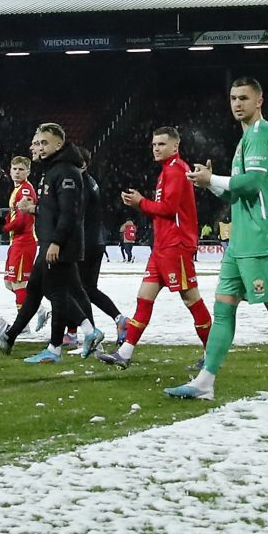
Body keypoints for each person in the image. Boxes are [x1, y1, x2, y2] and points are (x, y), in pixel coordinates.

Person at [168, 77, 268, 402]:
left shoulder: (261, 136)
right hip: (240, 242)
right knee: (223, 310)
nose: (237, 103)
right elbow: (238, 188)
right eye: (233, 98)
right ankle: (205, 382)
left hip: (262, 238)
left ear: (259, 101)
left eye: (243, 98)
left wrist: (215, 178)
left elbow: (251, 184)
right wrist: (209, 183)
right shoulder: (244, 140)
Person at [109, 126, 211, 367]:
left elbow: (168, 209)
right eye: (154, 144)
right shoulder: (167, 171)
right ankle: (124, 353)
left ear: (175, 146)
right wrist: (140, 203)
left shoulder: (176, 171)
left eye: (161, 144)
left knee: (191, 300)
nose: (156, 148)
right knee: (144, 299)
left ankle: (211, 354)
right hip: (162, 247)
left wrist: (140, 202)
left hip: (176, 246)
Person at [0, 124, 88, 358]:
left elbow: (68, 212)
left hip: (55, 244)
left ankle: (58, 346)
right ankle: (10, 337)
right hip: (47, 242)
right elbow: (53, 209)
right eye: (37, 143)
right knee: (36, 290)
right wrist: (36, 210)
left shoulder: (65, 171)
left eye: (44, 143)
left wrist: (55, 241)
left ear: (59, 144)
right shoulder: (53, 170)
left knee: (57, 294)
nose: (39, 147)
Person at [76, 143, 130, 348]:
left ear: (81, 163)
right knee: (88, 289)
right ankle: (119, 319)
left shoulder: (79, 183)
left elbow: (76, 214)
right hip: (96, 241)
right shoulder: (91, 182)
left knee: (74, 289)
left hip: (84, 243)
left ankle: (84, 333)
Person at [1, 153, 42, 329]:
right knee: (9, 282)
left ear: (28, 172)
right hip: (16, 241)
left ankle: (22, 324)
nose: (17, 172)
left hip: (24, 241)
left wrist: (5, 228)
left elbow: (23, 219)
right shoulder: (18, 189)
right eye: (14, 169)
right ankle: (39, 310)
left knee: (18, 283)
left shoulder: (25, 190)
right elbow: (15, 214)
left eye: (21, 169)